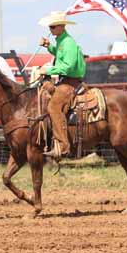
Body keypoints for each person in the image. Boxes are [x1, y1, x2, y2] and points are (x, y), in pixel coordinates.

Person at [37, 11, 86, 160]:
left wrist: (48, 69)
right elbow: (60, 56)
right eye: (50, 27)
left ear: (62, 26)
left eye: (53, 27)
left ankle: (63, 146)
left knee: (53, 107)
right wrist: (49, 46)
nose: (50, 30)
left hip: (70, 82)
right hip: (64, 80)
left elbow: (69, 66)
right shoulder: (60, 41)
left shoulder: (68, 42)